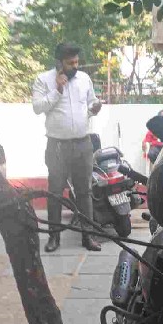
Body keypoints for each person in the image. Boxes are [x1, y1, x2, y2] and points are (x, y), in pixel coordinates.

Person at [32, 43, 102, 253]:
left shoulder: (84, 79)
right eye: (70, 63)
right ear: (59, 63)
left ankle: (88, 236)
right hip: (57, 146)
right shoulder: (43, 79)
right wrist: (57, 90)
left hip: (83, 143)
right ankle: (54, 238)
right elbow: (37, 107)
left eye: (77, 62)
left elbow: (90, 103)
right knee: (55, 192)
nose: (75, 66)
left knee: (84, 192)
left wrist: (94, 108)